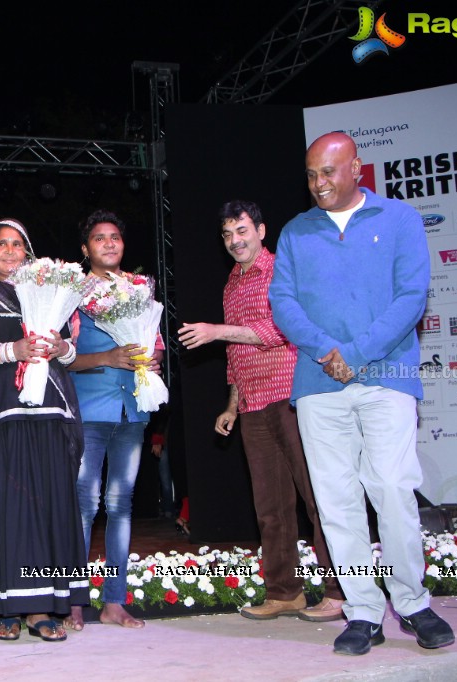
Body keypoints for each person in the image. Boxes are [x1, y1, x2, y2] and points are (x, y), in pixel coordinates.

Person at [269, 132, 454, 655]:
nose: (318, 184)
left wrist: (359, 353)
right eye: (310, 175)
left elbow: (412, 297)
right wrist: (328, 349)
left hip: (388, 374)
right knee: (335, 499)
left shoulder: (399, 220)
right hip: (317, 382)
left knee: (393, 487)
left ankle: (413, 602)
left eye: (327, 172)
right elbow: (282, 301)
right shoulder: (295, 232)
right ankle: (363, 610)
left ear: (356, 168)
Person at [177, 200, 345, 622]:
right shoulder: (231, 283)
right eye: (228, 234)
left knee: (318, 499)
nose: (235, 241)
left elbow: (277, 331)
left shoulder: (280, 271)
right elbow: (237, 353)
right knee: (270, 507)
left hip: (292, 397)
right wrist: (232, 405)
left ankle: (342, 590)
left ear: (262, 231)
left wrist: (216, 331)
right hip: (253, 405)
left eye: (242, 231)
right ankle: (284, 592)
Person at [0, 218, 89, 643]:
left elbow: (66, 350)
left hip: (46, 415)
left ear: (28, 253)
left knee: (45, 508)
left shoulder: (46, 292)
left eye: (17, 245)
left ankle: (40, 608)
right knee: (1, 509)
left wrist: (61, 348)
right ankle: (3, 606)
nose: (10, 252)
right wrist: (12, 350)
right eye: (2, 244)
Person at [67, 209, 163, 630]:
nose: (109, 243)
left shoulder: (140, 291)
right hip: (89, 410)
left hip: (133, 410)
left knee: (121, 504)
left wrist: (153, 360)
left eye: (115, 237)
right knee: (84, 505)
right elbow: (58, 359)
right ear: (86, 248)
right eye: (99, 238)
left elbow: (154, 345)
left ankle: (113, 602)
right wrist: (106, 357)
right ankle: (70, 600)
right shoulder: (71, 294)